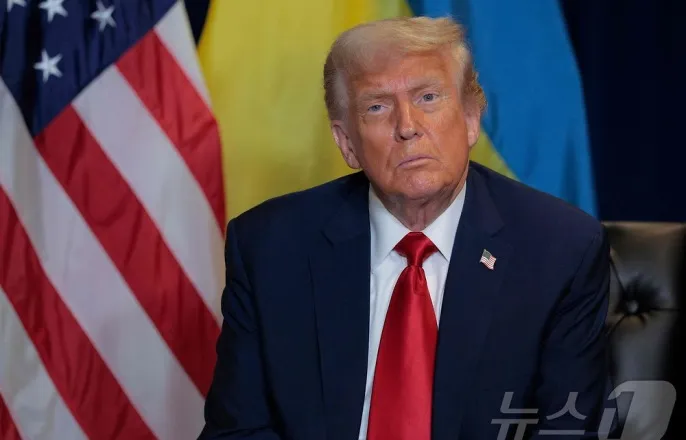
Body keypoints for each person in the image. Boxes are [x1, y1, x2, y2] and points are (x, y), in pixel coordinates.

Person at [199, 16, 614, 440]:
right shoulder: (271, 247)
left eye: (428, 97)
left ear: (471, 118)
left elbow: (569, 431)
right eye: (377, 106)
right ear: (346, 142)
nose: (407, 126)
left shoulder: (559, 249)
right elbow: (237, 431)